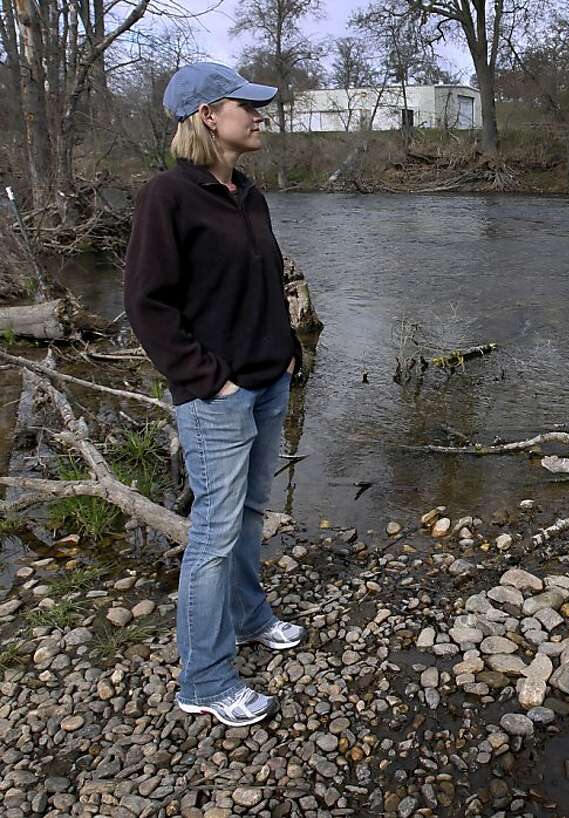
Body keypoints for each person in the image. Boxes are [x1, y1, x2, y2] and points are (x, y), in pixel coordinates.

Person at [124, 62, 306, 727]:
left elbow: (264, 282)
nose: (258, 115)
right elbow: (147, 306)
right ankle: (203, 678)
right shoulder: (166, 197)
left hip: (267, 382)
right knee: (214, 535)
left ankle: (252, 616)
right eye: (246, 106)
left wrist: (287, 350)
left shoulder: (248, 193)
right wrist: (210, 379)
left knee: (252, 514)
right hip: (216, 397)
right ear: (207, 116)